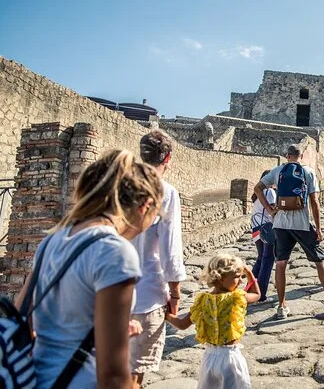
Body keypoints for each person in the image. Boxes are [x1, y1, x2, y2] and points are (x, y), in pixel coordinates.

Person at [15, 149, 163, 388]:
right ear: (145, 206)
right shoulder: (115, 252)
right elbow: (112, 374)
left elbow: (23, 323)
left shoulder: (52, 241)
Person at [253, 144, 324, 319]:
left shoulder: (277, 171)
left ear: (287, 156)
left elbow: (257, 188)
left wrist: (270, 210)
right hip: (302, 224)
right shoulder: (308, 172)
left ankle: (282, 307)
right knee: (319, 261)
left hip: (280, 224)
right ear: (301, 156)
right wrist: (318, 228)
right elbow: (314, 202)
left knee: (281, 264)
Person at [130, 129, 187, 389]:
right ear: (168, 158)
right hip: (146, 295)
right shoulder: (165, 192)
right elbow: (170, 249)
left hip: (108, 292)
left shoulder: (117, 186)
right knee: (134, 376)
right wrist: (175, 293)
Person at [166, 253, 260, 389]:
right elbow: (257, 295)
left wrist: (166, 315)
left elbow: (182, 325)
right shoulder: (237, 297)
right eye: (237, 277)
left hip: (209, 359)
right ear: (221, 277)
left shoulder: (202, 300)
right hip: (230, 358)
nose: (240, 281)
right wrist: (249, 273)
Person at [250, 170, 276, 302]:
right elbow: (273, 210)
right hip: (266, 229)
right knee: (267, 261)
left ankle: (250, 290)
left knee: (261, 259)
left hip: (255, 229)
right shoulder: (269, 192)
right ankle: (261, 295)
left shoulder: (256, 195)